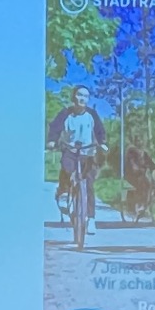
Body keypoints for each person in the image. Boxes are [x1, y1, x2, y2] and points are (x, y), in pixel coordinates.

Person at [47, 84, 106, 236]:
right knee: (67, 169)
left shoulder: (92, 114)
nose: (82, 99)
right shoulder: (66, 113)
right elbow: (55, 127)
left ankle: (90, 219)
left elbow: (99, 131)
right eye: (79, 95)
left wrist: (103, 143)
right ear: (74, 97)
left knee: (89, 184)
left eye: (86, 96)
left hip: (88, 151)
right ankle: (64, 192)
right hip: (70, 150)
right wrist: (52, 140)